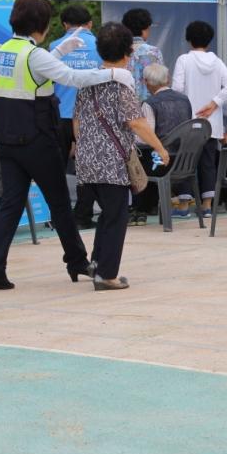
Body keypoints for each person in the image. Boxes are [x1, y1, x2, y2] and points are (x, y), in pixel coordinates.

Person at [0, 0, 136, 292]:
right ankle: (77, 261)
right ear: (43, 23)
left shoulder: (5, 51)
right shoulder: (34, 54)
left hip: (7, 140)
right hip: (38, 140)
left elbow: (34, 72)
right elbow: (72, 79)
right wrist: (113, 73)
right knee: (60, 204)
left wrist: (60, 51)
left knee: (10, 205)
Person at [74, 22, 170, 290]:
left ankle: (96, 264)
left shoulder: (87, 82)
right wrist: (161, 149)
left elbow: (78, 121)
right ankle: (107, 275)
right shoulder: (120, 85)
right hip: (111, 161)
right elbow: (136, 123)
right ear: (128, 53)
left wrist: (83, 147)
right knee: (116, 217)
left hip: (87, 158)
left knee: (107, 213)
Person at [172, 20, 227, 219]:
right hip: (211, 122)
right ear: (210, 40)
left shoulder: (184, 60)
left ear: (188, 39)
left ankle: (184, 207)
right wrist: (214, 102)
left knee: (186, 161)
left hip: (189, 121)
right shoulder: (217, 61)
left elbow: (176, 89)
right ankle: (207, 206)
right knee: (208, 163)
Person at [49, 5, 101, 229]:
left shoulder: (53, 48)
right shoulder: (101, 45)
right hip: (90, 116)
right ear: (89, 24)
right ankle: (83, 215)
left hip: (59, 115)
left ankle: (57, 216)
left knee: (55, 169)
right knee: (88, 168)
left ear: (64, 25)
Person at [131, 63, 193, 225]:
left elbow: (146, 136)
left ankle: (140, 209)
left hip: (161, 163)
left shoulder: (150, 103)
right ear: (168, 79)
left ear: (146, 82)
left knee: (138, 154)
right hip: (185, 160)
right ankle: (151, 205)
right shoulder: (185, 100)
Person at [122, 7, 165, 102]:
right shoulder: (154, 52)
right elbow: (160, 82)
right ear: (145, 29)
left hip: (125, 105)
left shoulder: (119, 51)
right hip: (150, 105)